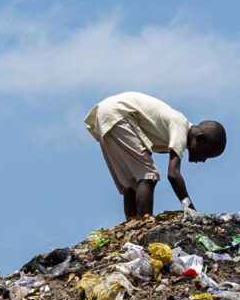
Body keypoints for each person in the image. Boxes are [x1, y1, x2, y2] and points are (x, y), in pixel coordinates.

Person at [84, 91, 226, 221]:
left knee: (132, 181)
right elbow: (173, 174)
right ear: (199, 138)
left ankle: (132, 226)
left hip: (107, 116)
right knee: (148, 175)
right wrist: (190, 208)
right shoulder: (180, 126)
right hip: (119, 115)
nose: (203, 159)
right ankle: (144, 224)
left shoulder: (177, 126)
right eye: (206, 153)